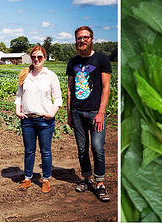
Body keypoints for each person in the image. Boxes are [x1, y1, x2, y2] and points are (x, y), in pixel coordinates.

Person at [66, 26, 112, 202]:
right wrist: (69, 113)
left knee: (98, 147)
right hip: (77, 112)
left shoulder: (101, 59)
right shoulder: (72, 62)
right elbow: (70, 88)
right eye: (79, 38)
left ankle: (100, 183)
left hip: (95, 112)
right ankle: (87, 178)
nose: (82, 40)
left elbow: (106, 87)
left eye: (85, 37)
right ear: (76, 40)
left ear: (91, 38)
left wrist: (101, 112)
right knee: (82, 148)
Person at [14, 45, 62, 193]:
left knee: (45, 151)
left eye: (39, 57)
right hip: (27, 120)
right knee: (29, 151)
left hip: (44, 120)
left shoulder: (51, 76)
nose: (36, 59)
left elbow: (58, 98)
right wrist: (18, 111)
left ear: (44, 58)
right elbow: (19, 95)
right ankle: (27, 178)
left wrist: (52, 113)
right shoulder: (25, 75)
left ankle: (45, 179)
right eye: (34, 57)